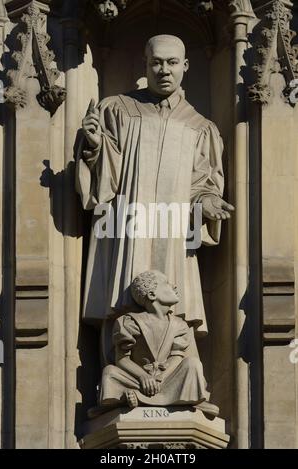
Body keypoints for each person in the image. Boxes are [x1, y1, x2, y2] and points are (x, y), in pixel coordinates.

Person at [76, 34, 234, 362]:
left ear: (186, 66)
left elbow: (202, 182)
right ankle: (120, 377)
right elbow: (106, 181)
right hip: (127, 229)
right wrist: (92, 145)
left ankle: (177, 377)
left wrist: (206, 201)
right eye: (157, 62)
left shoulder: (200, 127)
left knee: (174, 298)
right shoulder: (116, 109)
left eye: (172, 62)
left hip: (175, 231)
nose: (164, 70)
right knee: (123, 298)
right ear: (145, 65)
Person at [99, 271, 209, 409]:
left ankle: (138, 397)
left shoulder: (180, 325)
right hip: (138, 379)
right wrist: (143, 377)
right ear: (152, 295)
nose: (174, 286)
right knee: (109, 372)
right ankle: (140, 395)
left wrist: (160, 378)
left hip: (166, 378)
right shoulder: (129, 322)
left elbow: (177, 357)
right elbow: (122, 359)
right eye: (167, 284)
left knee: (193, 364)